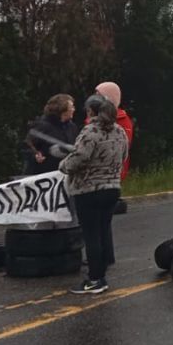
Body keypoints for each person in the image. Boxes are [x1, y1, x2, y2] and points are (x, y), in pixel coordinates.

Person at [60, 95, 128, 295]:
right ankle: (102, 269)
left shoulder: (90, 132)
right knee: (102, 229)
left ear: (91, 111)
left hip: (88, 190)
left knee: (91, 235)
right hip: (112, 188)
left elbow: (79, 159)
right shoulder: (120, 131)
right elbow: (124, 156)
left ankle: (95, 279)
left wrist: (63, 164)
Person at [24, 94, 79, 175]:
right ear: (62, 109)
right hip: (45, 174)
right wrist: (35, 154)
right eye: (71, 107)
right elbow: (27, 144)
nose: (74, 109)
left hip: (65, 174)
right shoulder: (42, 125)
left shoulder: (72, 127)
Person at [94, 81, 134, 181]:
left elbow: (121, 148)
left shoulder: (122, 121)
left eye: (98, 95)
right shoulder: (94, 117)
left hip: (110, 173)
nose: (95, 98)